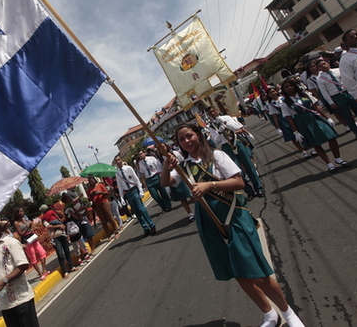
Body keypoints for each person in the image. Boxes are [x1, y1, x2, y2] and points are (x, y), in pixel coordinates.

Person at [160, 122, 305, 327]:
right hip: (208, 220)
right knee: (237, 271)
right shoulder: (183, 167)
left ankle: (288, 313)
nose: (186, 141)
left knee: (255, 270)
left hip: (233, 214)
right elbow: (166, 183)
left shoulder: (217, 156)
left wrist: (210, 184)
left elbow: (239, 183)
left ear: (199, 135)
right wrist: (166, 168)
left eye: (189, 136)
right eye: (181, 139)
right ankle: (269, 314)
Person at [0, 218, 39, 327]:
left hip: (21, 299)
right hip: (5, 303)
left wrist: (4, 281)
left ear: (0, 228)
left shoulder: (11, 243)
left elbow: (23, 265)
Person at [280, 78, 349, 173]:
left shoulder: (305, 95)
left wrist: (327, 117)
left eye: (290, 85)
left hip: (314, 118)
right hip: (301, 122)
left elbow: (316, 107)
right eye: (286, 87)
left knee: (331, 136)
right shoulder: (284, 103)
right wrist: (295, 131)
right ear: (284, 90)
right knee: (315, 143)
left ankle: (338, 158)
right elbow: (289, 118)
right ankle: (329, 164)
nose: (289, 88)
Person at [205, 106, 264, 200]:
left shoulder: (226, 118)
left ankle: (259, 188)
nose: (212, 113)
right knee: (236, 169)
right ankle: (249, 191)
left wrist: (225, 123)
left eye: (213, 111)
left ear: (217, 110)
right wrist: (219, 132)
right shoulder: (210, 127)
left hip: (236, 141)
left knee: (248, 164)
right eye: (210, 113)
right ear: (208, 115)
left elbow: (238, 127)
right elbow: (216, 141)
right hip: (226, 146)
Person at [316, 59, 357, 140]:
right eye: (320, 66)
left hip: (348, 92)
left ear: (328, 63)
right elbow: (324, 92)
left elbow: (349, 80)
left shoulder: (338, 70)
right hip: (336, 96)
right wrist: (331, 102)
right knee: (347, 116)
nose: (323, 66)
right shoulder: (320, 79)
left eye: (324, 64)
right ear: (319, 69)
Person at [114, 155, 156, 237]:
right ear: (115, 163)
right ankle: (145, 228)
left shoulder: (128, 168)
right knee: (136, 211)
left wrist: (140, 190)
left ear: (121, 160)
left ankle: (151, 225)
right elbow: (120, 186)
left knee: (141, 208)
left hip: (134, 190)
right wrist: (122, 198)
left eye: (119, 159)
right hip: (128, 193)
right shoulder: (118, 174)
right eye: (116, 160)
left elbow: (136, 179)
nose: (118, 161)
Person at [266, 87, 308, 158]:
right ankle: (303, 151)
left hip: (292, 116)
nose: (273, 93)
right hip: (283, 119)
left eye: (273, 91)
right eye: (270, 93)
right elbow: (274, 117)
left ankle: (309, 147)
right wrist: (278, 128)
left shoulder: (284, 98)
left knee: (301, 131)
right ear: (269, 95)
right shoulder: (271, 105)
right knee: (292, 136)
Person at [12, 207, 50, 280]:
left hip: (32, 237)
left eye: (23, 211)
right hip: (26, 240)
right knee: (33, 258)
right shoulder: (16, 223)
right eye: (21, 211)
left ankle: (44, 269)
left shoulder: (24, 219)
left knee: (42, 252)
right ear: (17, 213)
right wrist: (27, 226)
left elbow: (30, 227)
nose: (23, 212)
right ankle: (40, 274)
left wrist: (30, 225)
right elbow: (20, 234)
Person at [86, 176, 119, 241]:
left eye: (92, 181)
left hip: (104, 202)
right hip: (97, 206)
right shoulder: (89, 189)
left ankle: (116, 231)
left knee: (110, 217)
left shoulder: (100, 185)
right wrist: (91, 196)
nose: (91, 182)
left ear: (94, 180)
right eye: (89, 182)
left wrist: (100, 193)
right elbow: (89, 199)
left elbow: (107, 193)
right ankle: (108, 235)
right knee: (103, 221)